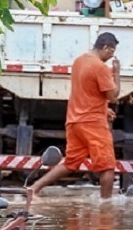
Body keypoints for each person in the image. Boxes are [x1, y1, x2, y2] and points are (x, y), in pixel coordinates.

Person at [31, 32, 120, 199]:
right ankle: (106, 206)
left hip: (74, 121)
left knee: (70, 162)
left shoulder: (79, 61)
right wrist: (117, 73)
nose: (111, 56)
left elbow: (87, 91)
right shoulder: (100, 67)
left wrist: (103, 108)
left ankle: (34, 188)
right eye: (111, 51)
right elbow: (113, 95)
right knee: (107, 167)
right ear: (105, 47)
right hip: (93, 123)